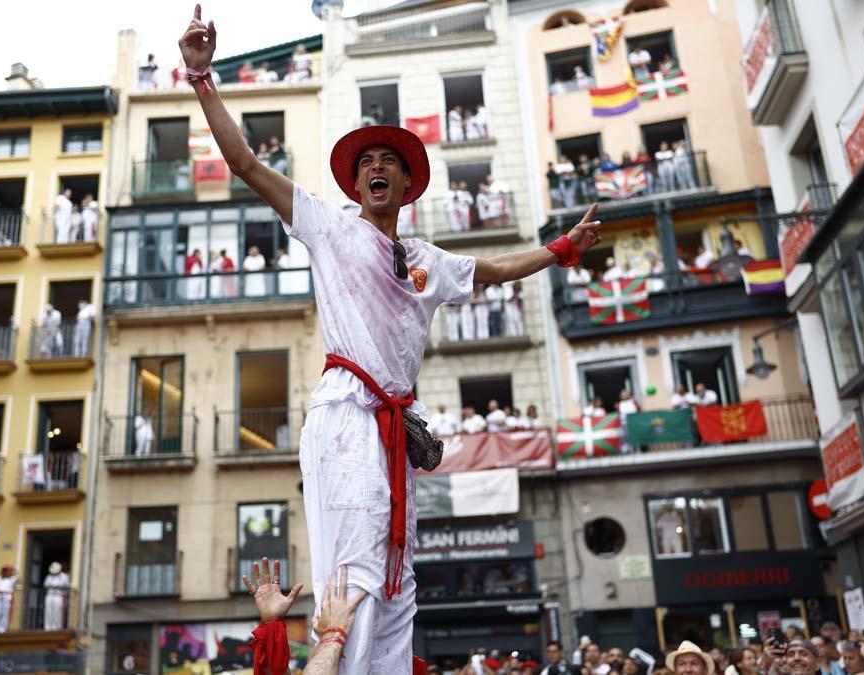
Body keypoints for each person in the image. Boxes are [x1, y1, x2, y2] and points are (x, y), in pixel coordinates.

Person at [180, 8, 602, 673]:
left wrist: (561, 248)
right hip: (347, 417)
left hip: (397, 434)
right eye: (367, 162)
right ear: (356, 183)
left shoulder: (428, 257)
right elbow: (245, 163)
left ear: (406, 184)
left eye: (390, 162)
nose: (378, 167)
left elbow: (493, 269)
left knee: (398, 588)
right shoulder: (328, 224)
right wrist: (202, 76)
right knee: (359, 581)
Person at [43, 562, 70, 631]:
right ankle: (48, 627)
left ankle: (57, 627)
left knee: (58, 611)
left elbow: (65, 586)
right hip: (50, 595)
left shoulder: (64, 576)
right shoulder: (49, 576)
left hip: (59, 596)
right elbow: (45, 585)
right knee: (49, 610)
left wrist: (56, 587)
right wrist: (54, 586)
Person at [0, 565, 18, 634]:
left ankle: (2, 629)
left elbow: (18, 577)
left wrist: (13, 570)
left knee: (5, 613)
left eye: (9, 571)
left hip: (7, 595)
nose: (8, 572)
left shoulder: (13, 578)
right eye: (6, 571)